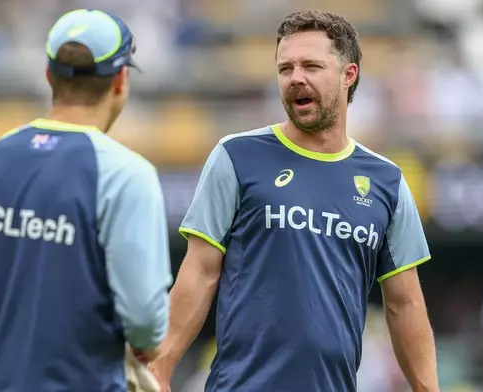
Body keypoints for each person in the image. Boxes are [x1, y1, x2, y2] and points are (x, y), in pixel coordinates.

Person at [148, 9, 439, 392]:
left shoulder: (387, 180)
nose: (296, 77)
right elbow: (200, 272)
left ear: (348, 75)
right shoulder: (236, 156)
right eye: (286, 68)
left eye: (311, 66)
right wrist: (160, 365)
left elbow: (405, 304)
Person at [0, 9, 172, 392]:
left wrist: (12, 318)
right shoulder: (126, 174)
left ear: (49, 75)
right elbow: (145, 322)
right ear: (121, 79)